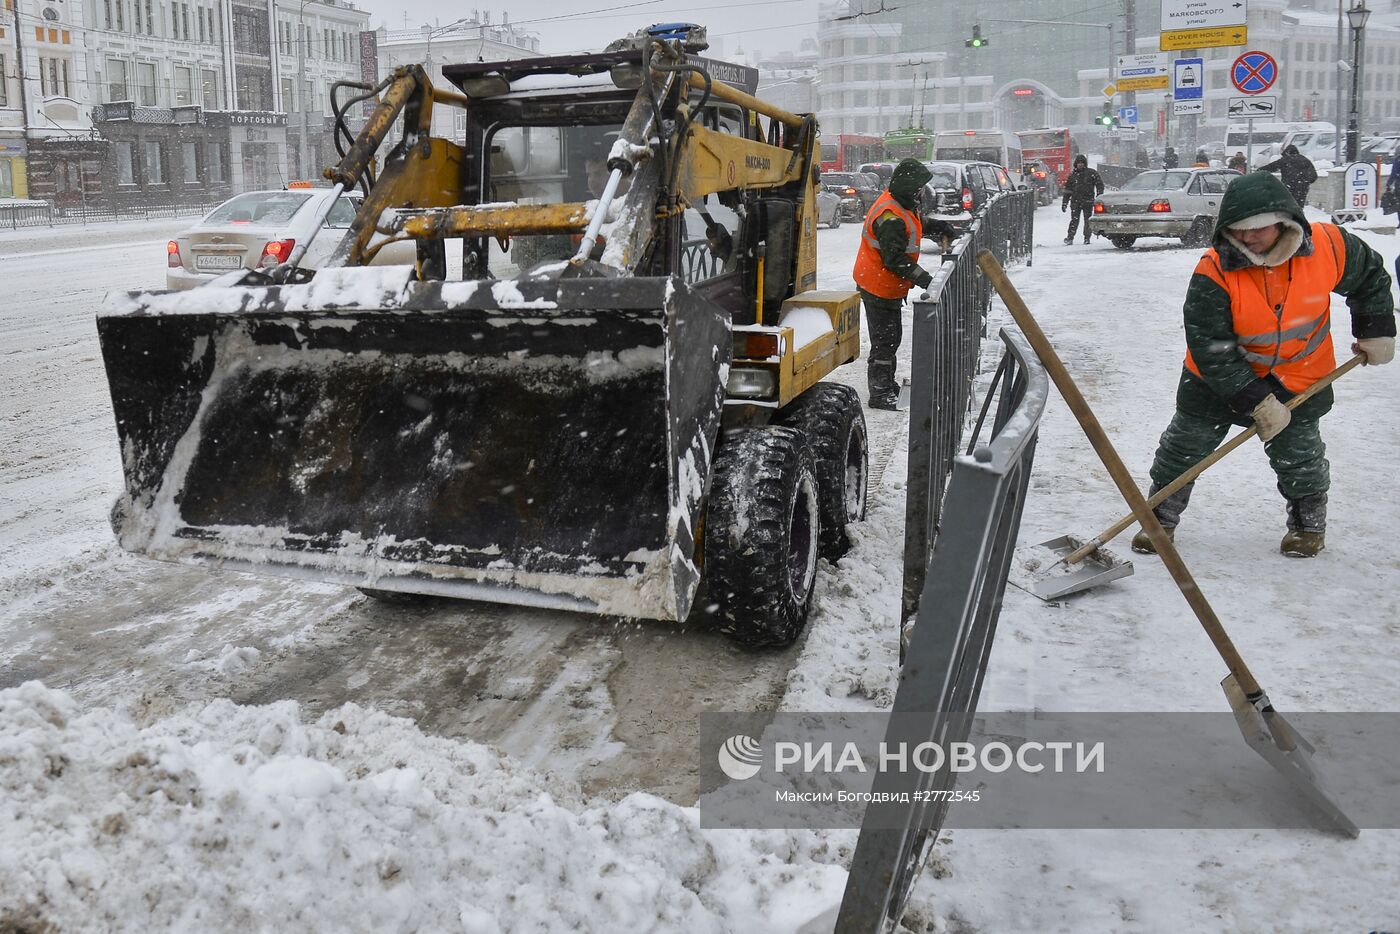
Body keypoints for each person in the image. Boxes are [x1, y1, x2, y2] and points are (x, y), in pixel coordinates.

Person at [1132, 172, 1395, 559]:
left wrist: (1376, 330)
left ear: (1284, 221)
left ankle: (1308, 526)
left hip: (1300, 375)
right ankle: (1159, 519)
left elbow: (1370, 277)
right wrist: (1254, 399)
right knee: (1184, 448)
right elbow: (1212, 347)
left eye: (1259, 229)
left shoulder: (1329, 246)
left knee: (1300, 455)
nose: (1249, 238)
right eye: (1239, 230)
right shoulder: (1215, 270)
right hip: (1215, 382)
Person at [852, 158, 935, 410]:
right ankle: (879, 393)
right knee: (885, 342)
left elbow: (911, 229)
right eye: (920, 187)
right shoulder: (891, 216)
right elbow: (895, 259)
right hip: (878, 286)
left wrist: (936, 226)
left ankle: (886, 385)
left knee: (891, 338)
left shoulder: (899, 203)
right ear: (910, 187)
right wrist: (925, 279)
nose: (922, 192)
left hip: (883, 284)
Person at [1060, 154, 1104, 245]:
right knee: (1074, 220)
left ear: (1085, 164)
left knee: (1087, 220)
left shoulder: (1091, 173)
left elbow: (1099, 184)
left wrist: (1099, 195)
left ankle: (1087, 238)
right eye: (1078, 163)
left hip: (1087, 201)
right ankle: (1070, 237)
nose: (1080, 165)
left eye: (1082, 163)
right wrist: (1065, 203)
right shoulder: (1073, 176)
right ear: (1076, 164)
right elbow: (1068, 191)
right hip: (1076, 201)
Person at [1259, 144, 1318, 208]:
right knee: (1298, 207)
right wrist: (1305, 182)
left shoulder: (1285, 160)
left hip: (1288, 187)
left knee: (1287, 206)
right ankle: (1297, 216)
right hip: (1302, 188)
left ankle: (1287, 216)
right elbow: (1314, 176)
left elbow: (1271, 167)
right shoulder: (1305, 160)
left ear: (1287, 152)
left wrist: (1259, 170)